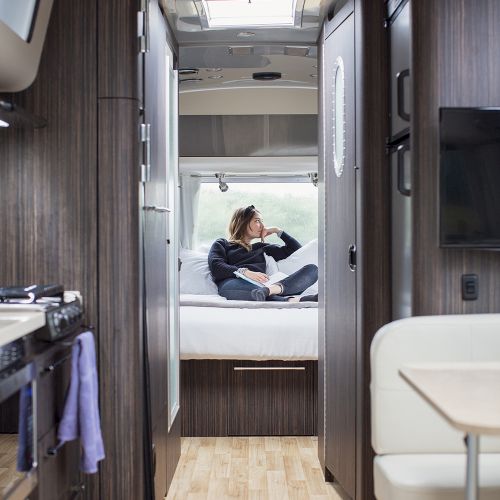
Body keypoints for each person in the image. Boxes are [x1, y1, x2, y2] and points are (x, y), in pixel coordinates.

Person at [208, 205, 318, 302]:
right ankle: (290, 299)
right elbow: (216, 266)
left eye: (262, 221)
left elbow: (297, 251)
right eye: (257, 221)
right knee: (254, 292)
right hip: (234, 282)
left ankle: (270, 292)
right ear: (242, 222)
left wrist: (277, 231)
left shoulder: (263, 248)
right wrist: (245, 272)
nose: (262, 225)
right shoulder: (223, 244)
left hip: (267, 286)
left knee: (313, 270)